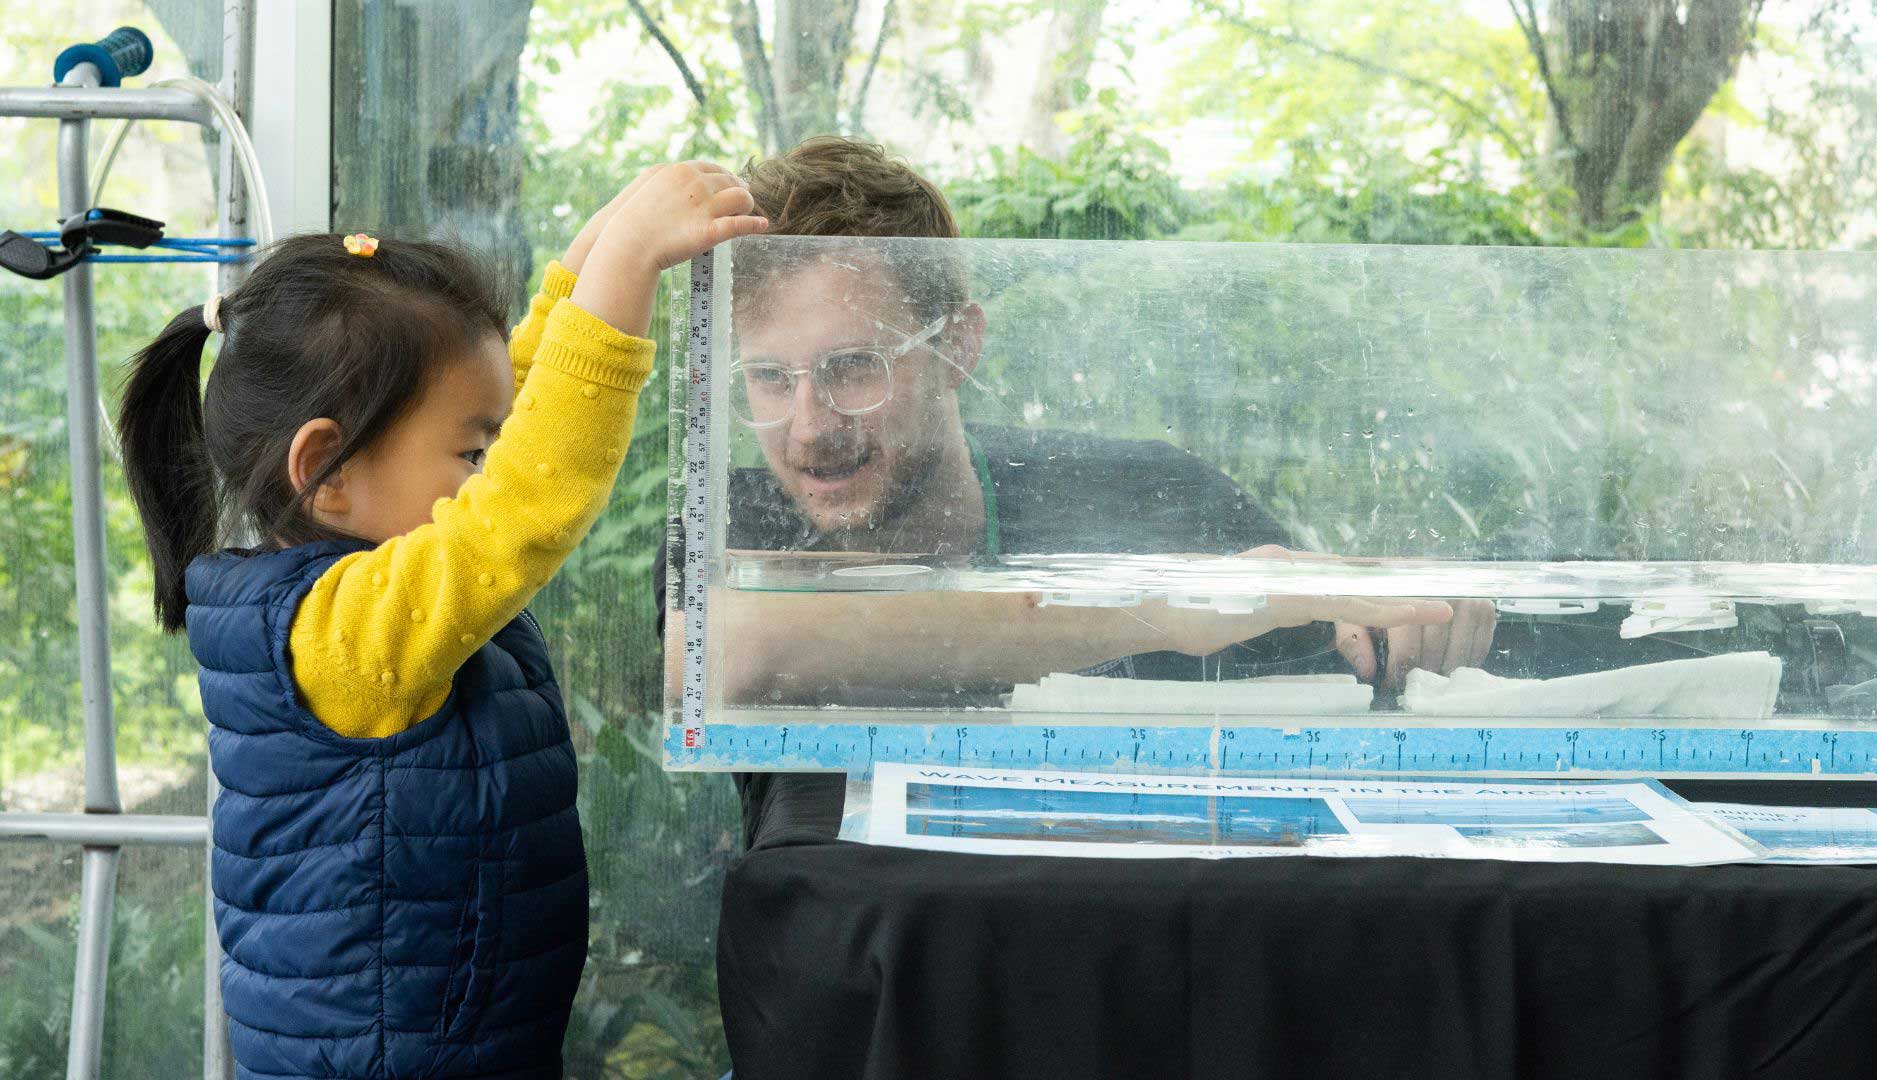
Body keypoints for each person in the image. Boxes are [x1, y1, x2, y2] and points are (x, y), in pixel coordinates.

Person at [655, 138, 1494, 847]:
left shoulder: (1161, 494)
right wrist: (1171, 608)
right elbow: (732, 653)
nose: (808, 427)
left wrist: (1411, 615)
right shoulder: (731, 518)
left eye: (853, 368)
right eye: (767, 378)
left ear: (959, 347)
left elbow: (1336, 632)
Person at [118, 164, 766, 1080]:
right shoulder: (345, 632)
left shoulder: (366, 584)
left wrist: (595, 259)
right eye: (471, 452)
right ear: (328, 469)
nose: (490, 467)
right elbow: (525, 500)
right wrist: (624, 269)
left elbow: (518, 415)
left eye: (490, 445)